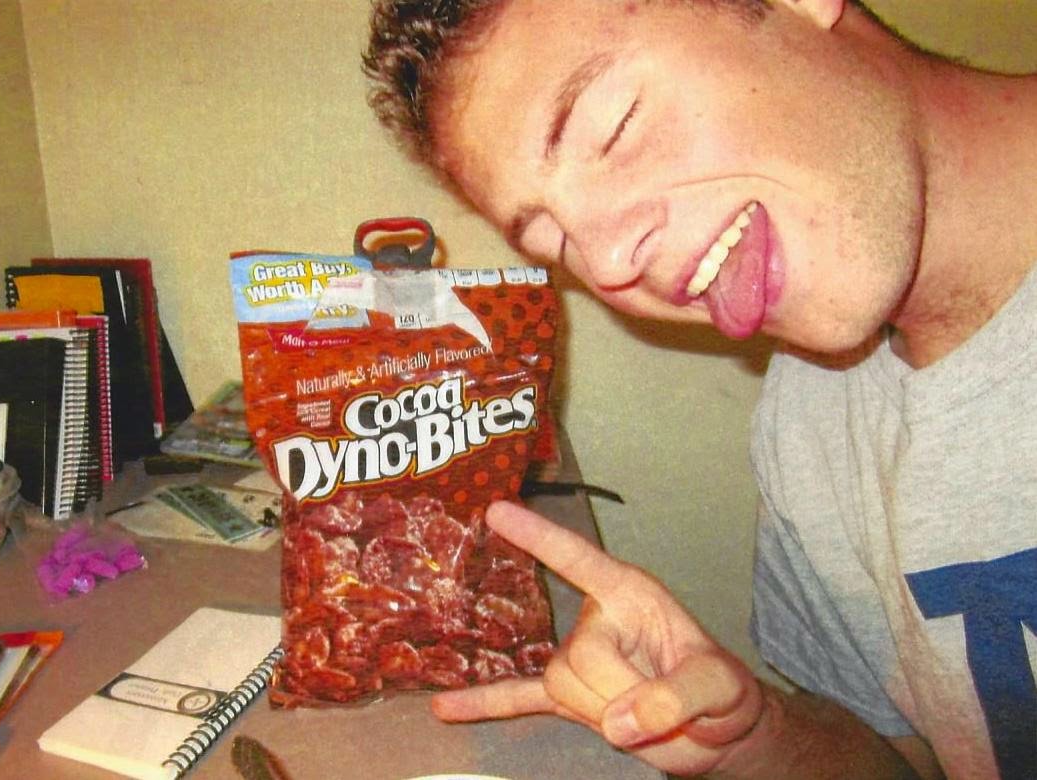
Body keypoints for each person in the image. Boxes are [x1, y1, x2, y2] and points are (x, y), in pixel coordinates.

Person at [361, 0, 1037, 778]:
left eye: (612, 126)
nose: (607, 265)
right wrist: (753, 740)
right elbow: (904, 762)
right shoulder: (808, 418)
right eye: (555, 242)